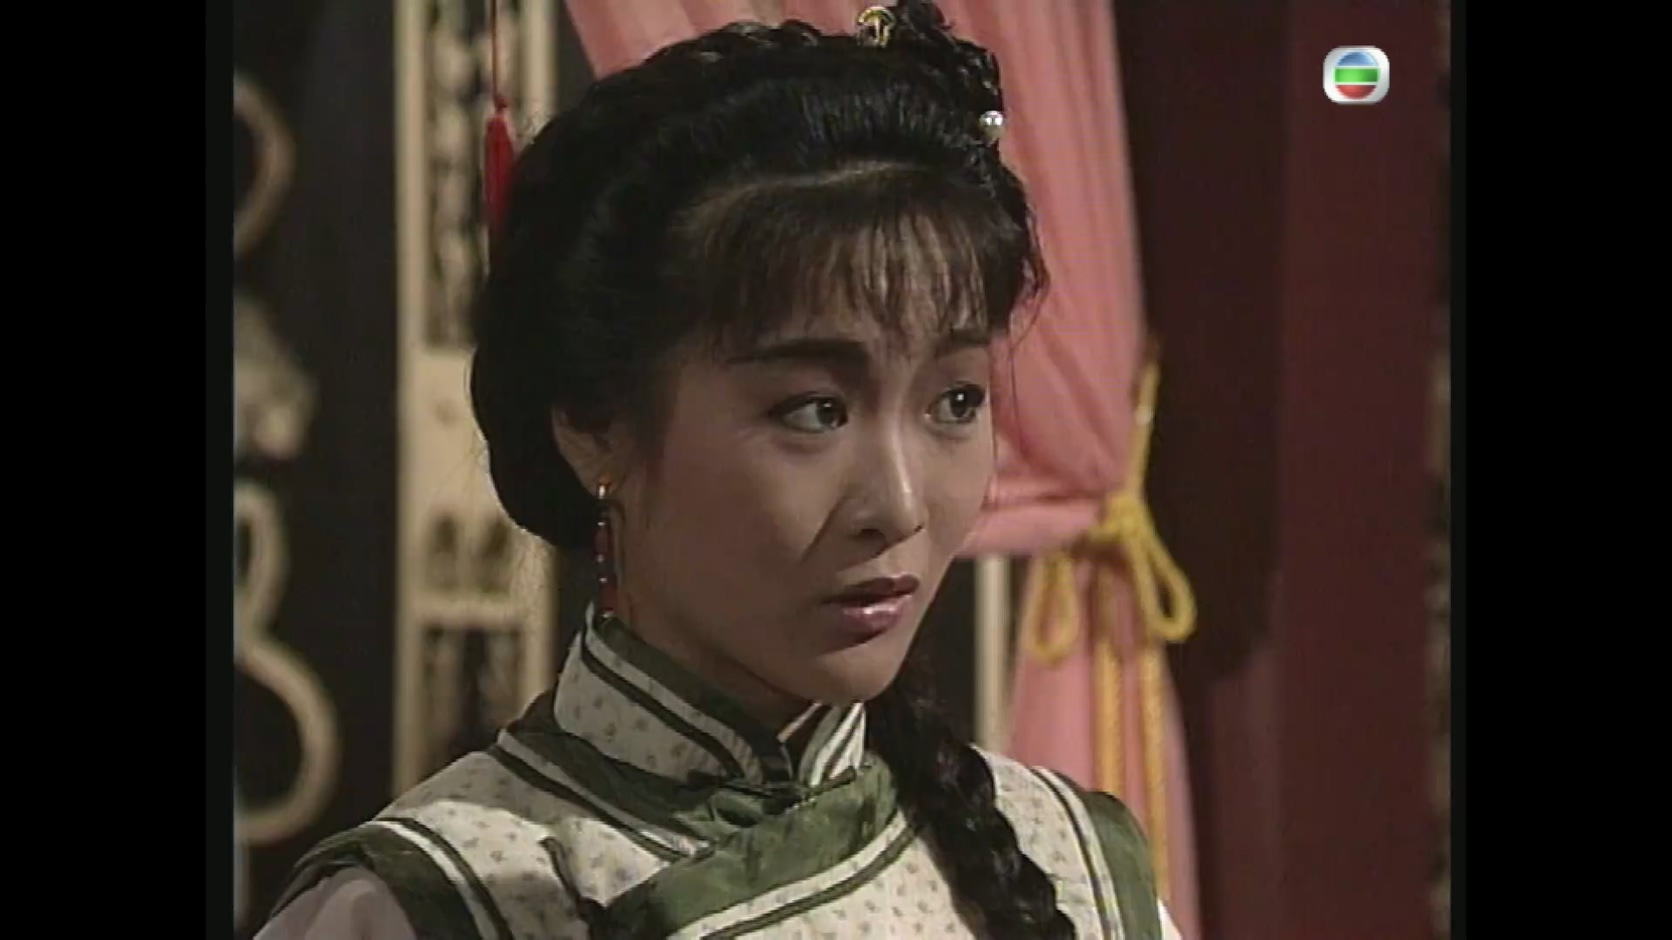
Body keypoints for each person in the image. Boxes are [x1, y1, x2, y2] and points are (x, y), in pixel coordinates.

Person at [256, 2, 1182, 937]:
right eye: (816, 411)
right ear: (594, 425)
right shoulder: (443, 900)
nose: (900, 505)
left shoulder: (1071, 865)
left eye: (956, 402)